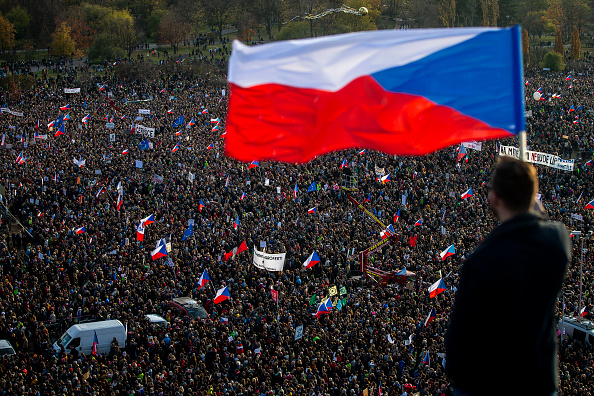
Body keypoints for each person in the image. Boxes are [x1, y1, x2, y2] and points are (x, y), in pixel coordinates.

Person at [446, 156, 572, 396]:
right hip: (539, 382)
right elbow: (544, 221)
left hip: (489, 384)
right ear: (534, 196)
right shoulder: (559, 241)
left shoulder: (481, 261)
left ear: (494, 198)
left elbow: (457, 344)